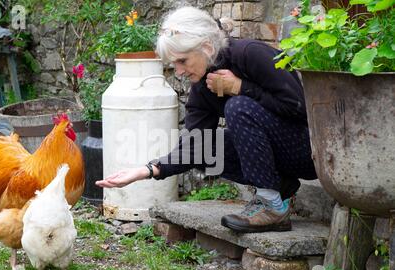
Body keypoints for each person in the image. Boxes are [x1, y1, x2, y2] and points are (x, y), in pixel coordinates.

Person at [96, 6, 317, 233]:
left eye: (182, 61)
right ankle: (279, 187)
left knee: (237, 106)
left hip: (309, 151)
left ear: (207, 47)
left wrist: (242, 87)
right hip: (281, 156)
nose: (179, 71)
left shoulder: (250, 54)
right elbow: (195, 144)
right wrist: (149, 170)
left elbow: (300, 108)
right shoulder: (202, 88)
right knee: (205, 149)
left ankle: (272, 209)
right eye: (174, 65)